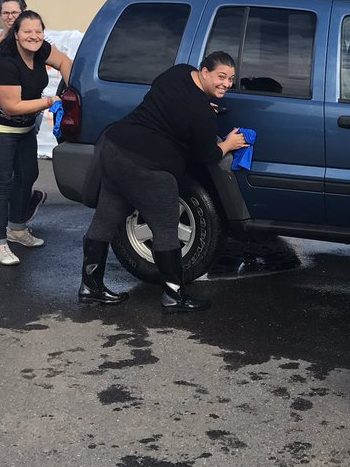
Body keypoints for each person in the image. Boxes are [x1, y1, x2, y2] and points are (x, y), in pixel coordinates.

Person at [79, 52, 250, 312]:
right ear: (205, 72)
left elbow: (167, 94)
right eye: (221, 77)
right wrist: (229, 143)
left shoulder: (179, 72)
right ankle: (173, 296)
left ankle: (90, 288)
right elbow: (208, 156)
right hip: (147, 166)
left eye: (231, 79)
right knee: (166, 227)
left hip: (114, 148)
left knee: (106, 217)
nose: (226, 84)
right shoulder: (202, 113)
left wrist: (201, 105)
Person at [0, 10, 73, 264]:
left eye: (38, 31)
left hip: (23, 126)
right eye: (27, 31)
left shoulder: (41, 50)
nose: (34, 36)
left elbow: (64, 62)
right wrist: (50, 101)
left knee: (28, 174)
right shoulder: (4, 63)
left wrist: (74, 91)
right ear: (16, 34)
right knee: (1, 182)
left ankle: (16, 228)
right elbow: (12, 106)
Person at [0, 0, 47, 224]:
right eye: (5, 13)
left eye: (14, 12)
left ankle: (17, 217)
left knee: (24, 172)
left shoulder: (33, 41)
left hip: (25, 115)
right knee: (1, 176)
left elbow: (58, 60)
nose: (10, 17)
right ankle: (0, 225)